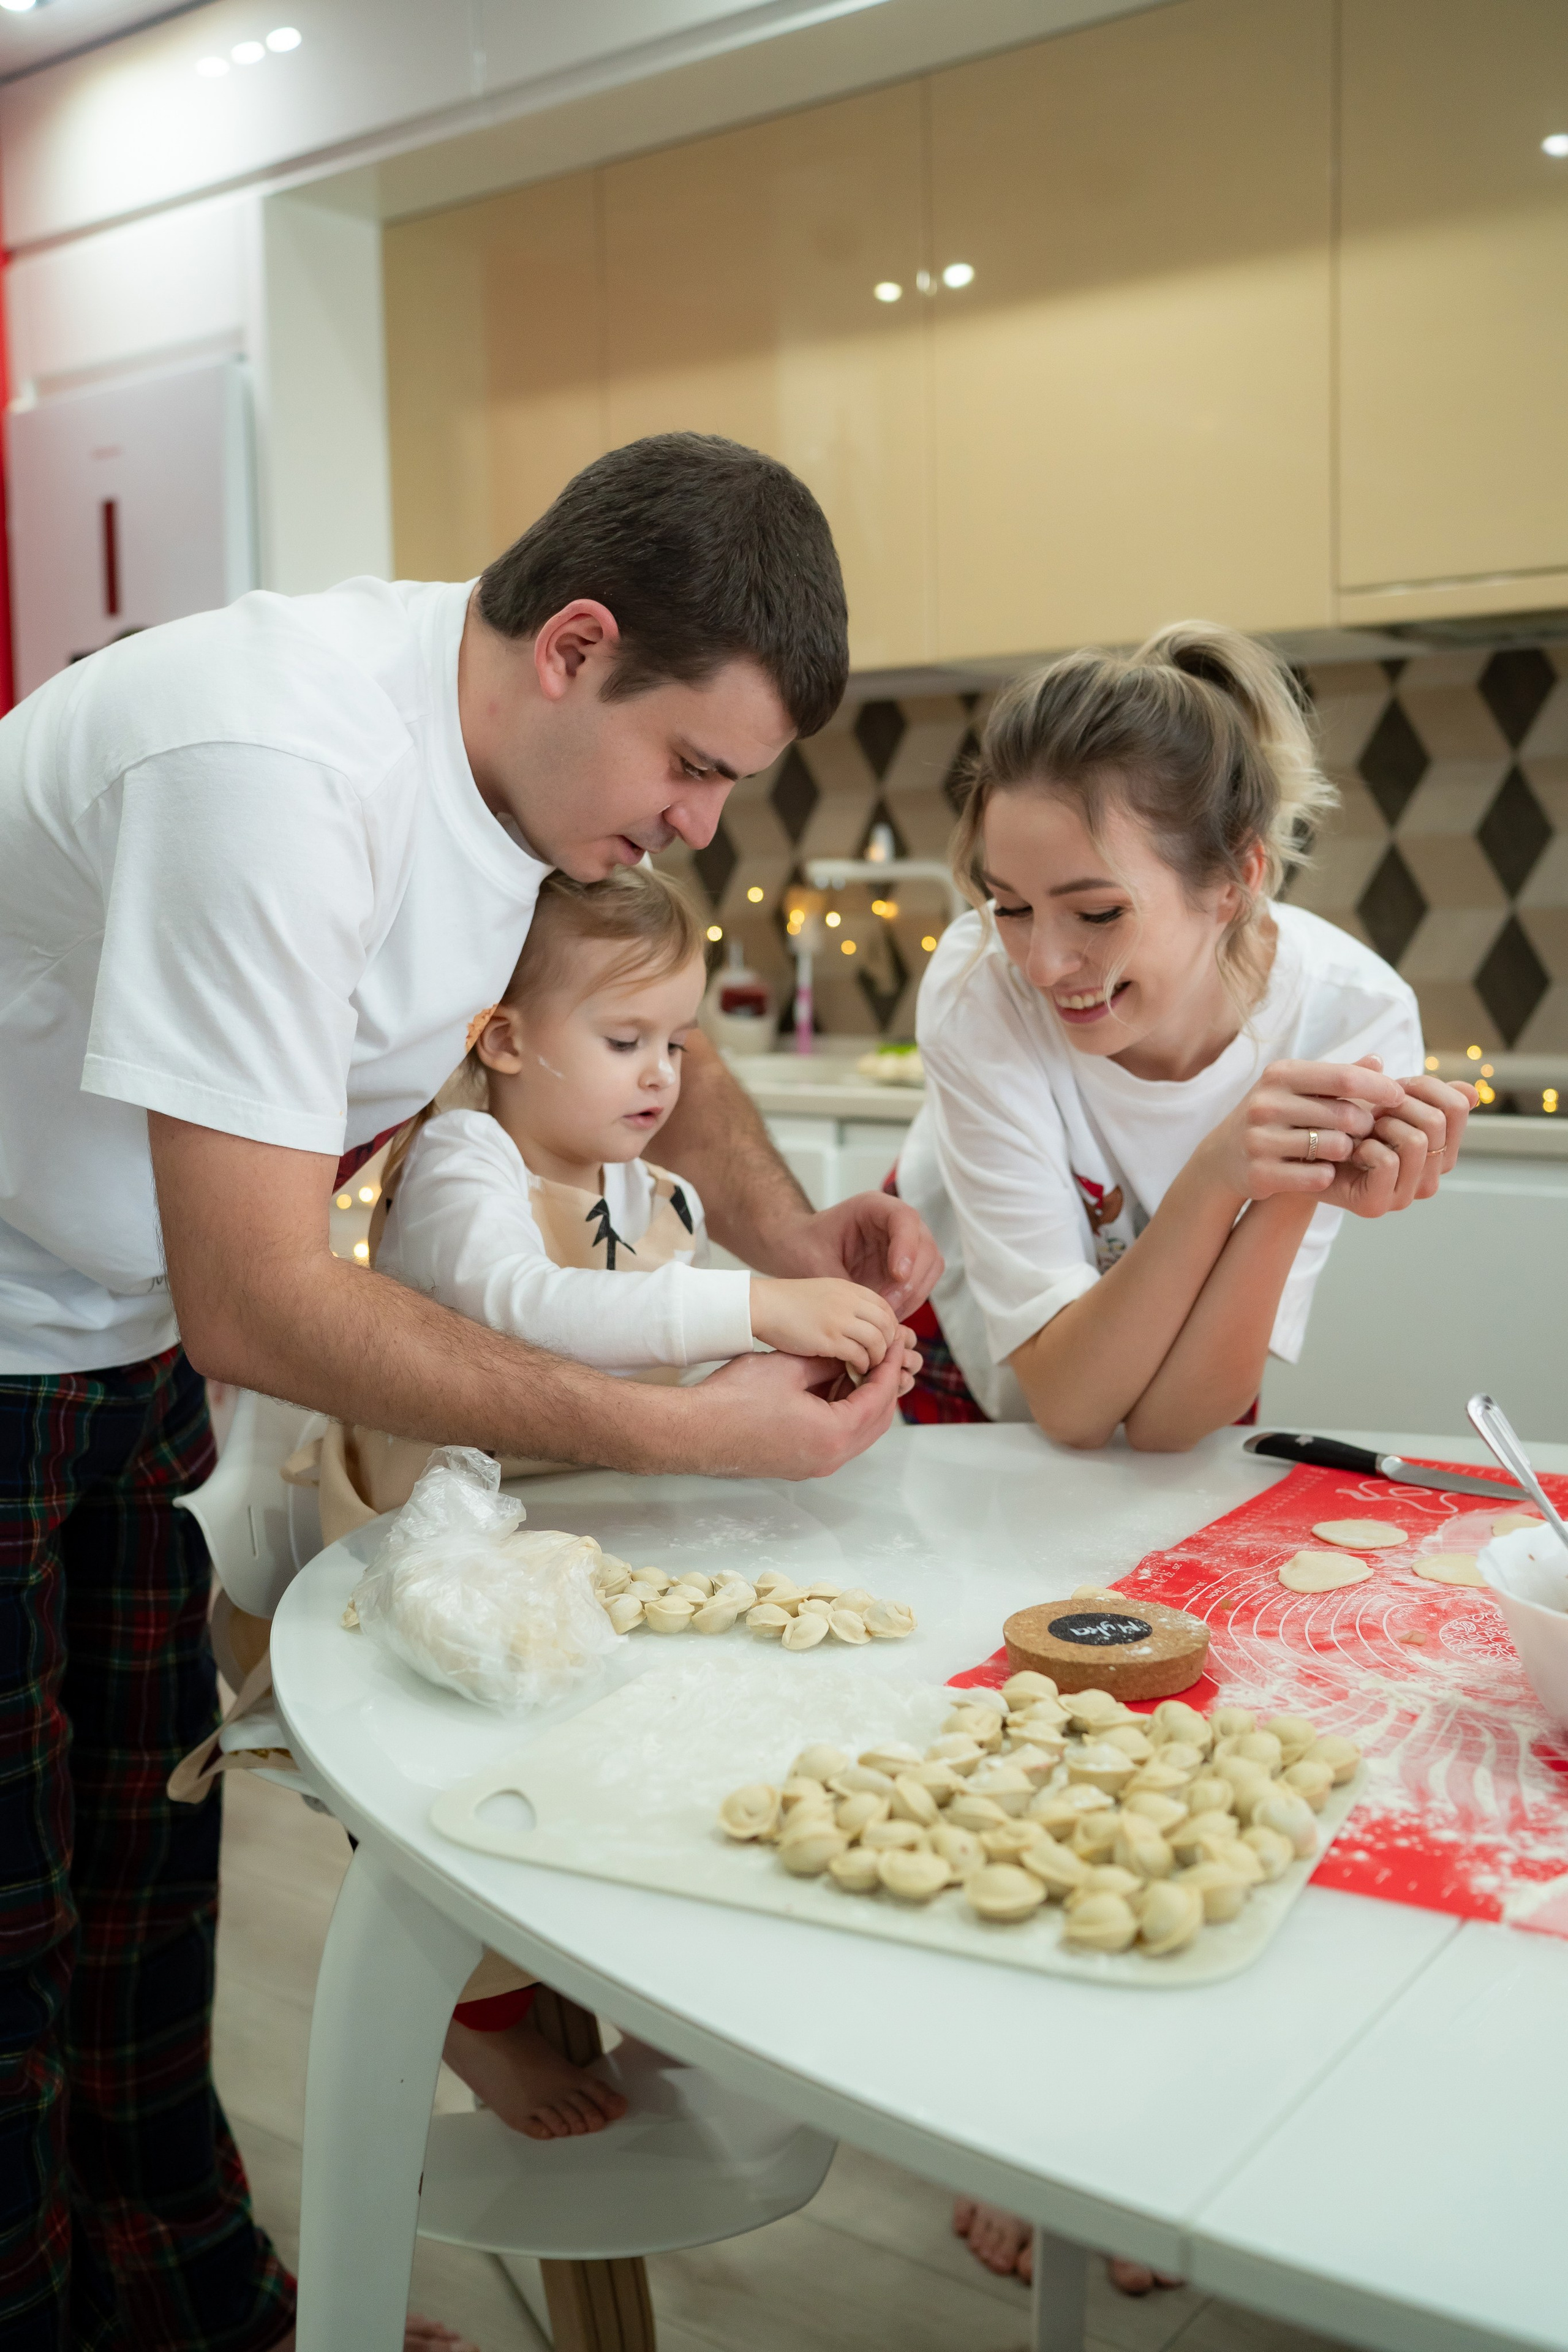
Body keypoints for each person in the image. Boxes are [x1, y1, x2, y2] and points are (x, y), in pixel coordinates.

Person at [0, 433, 937, 2352]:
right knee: (11, 1936)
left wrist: (788, 1242)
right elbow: (261, 1299)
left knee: (143, 1888)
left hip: (110, 1336)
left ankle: (204, 2315)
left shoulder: (528, 769)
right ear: (574, 646)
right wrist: (694, 1425)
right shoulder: (272, 770)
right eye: (693, 766)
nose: (696, 823)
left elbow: (648, 1017)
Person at [888, 620, 1472, 2290]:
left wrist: (1277, 1192)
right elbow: (1073, 1402)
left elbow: (1177, 1420)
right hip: (969, 1384)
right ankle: (1008, 2119)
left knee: (1156, 1733)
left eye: (1094, 911)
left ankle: (1132, 2115)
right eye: (1008, 904)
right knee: (989, 1742)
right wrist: (1226, 1169)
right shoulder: (978, 996)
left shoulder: (1350, 1010)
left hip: (1143, 1387)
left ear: (1234, 878)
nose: (1046, 960)